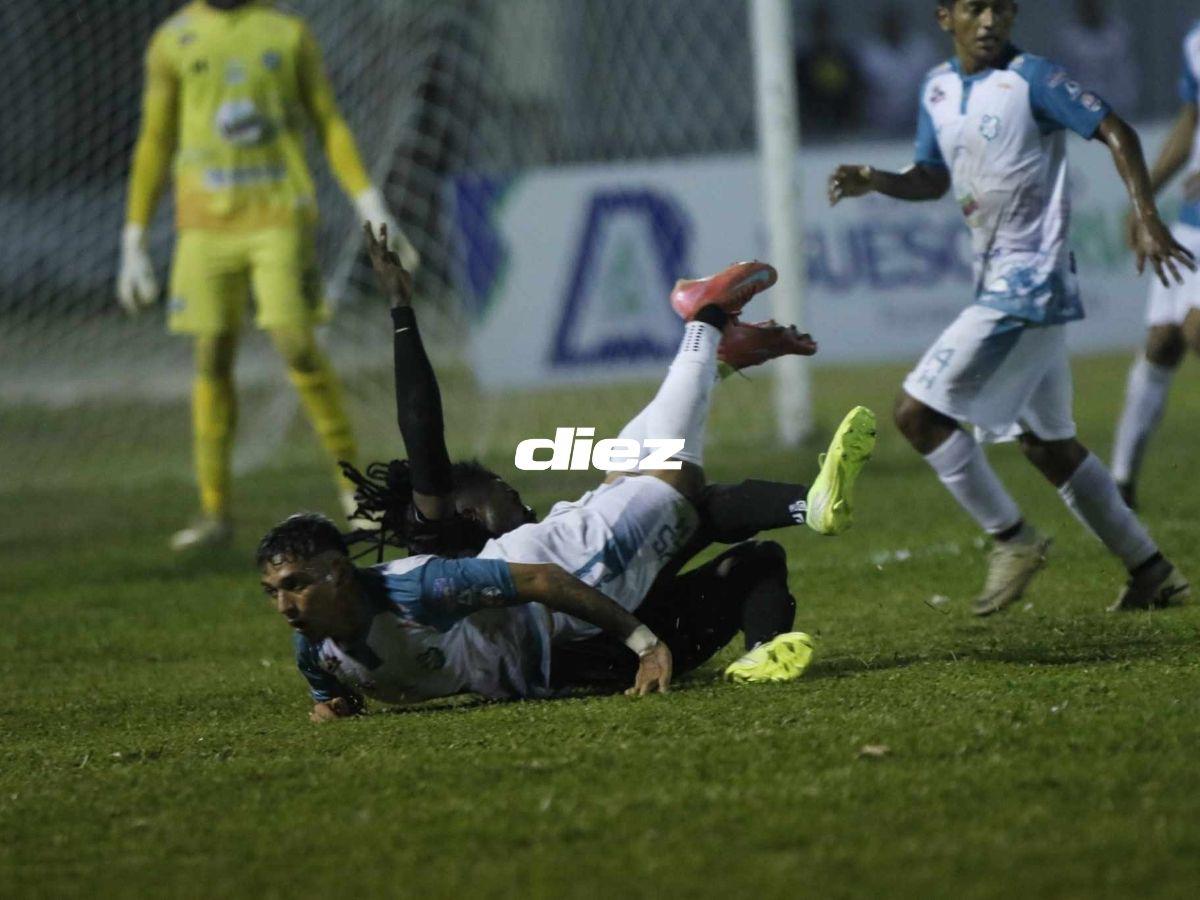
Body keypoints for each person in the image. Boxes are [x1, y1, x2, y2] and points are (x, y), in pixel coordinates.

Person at [258, 253, 876, 720]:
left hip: (575, 625)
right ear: (461, 505)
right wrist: (401, 315)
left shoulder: (327, 640)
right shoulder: (434, 554)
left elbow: (332, 683)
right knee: (677, 485)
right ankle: (708, 328)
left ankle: (715, 354)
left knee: (650, 484)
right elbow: (422, 430)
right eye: (495, 487)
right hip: (570, 629)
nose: (510, 494)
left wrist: (333, 705)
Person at [827, 0, 1193, 615]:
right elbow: (931, 177)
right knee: (1048, 446)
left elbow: (1116, 130)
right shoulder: (938, 88)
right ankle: (1152, 570)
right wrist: (878, 179)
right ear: (945, 17)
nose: (992, 20)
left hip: (1031, 281)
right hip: (997, 280)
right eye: (976, 8)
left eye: (1002, 8)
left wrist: (1147, 213)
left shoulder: (1033, 80)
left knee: (916, 413)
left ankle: (1012, 539)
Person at [116, 0, 419, 551]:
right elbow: (155, 139)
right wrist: (134, 235)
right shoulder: (173, 40)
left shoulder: (286, 32)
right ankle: (214, 511)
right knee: (211, 357)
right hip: (203, 228)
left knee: (298, 348)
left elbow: (328, 121)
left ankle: (356, 494)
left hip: (279, 217)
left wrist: (369, 202)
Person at [1110, 22, 1200, 510]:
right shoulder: (1195, 39)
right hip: (1192, 220)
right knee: (1162, 341)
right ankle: (1121, 481)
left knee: (1195, 331)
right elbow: (1192, 120)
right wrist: (1145, 197)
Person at [857, 5, 939, 137]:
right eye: (890, 24)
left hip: (917, 121)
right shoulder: (869, 52)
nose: (894, 27)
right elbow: (861, 91)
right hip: (878, 124)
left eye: (897, 23)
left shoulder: (921, 49)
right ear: (883, 26)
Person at [1054, 0, 1139, 117]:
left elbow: (1127, 73)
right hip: (1082, 110)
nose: (1092, 8)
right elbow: (1063, 77)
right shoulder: (1068, 37)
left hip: (1119, 107)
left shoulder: (1118, 32)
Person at [795, 2, 863, 137]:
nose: (822, 29)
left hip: (842, 117)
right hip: (814, 117)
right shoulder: (804, 60)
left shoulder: (844, 56)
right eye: (819, 25)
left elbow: (856, 87)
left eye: (825, 24)